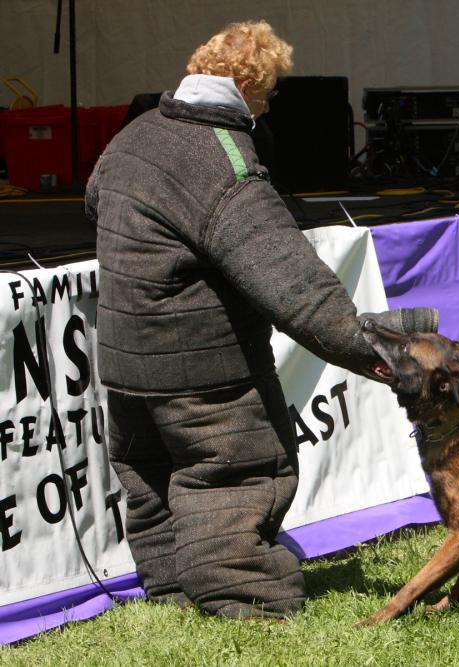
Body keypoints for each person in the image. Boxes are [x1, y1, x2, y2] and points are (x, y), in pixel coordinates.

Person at [85, 20, 438, 620]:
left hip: (123, 356)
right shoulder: (224, 161)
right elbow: (292, 284)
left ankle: (170, 585)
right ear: (247, 89)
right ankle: (245, 597)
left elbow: (95, 202)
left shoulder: (135, 133)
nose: (269, 106)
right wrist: (386, 345)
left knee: (152, 473)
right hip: (202, 362)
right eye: (269, 94)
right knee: (234, 472)